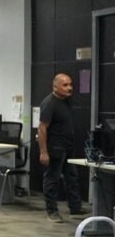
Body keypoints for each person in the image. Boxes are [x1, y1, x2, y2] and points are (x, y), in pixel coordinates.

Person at [38, 73, 84, 223]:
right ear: (55, 87)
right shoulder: (49, 103)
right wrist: (44, 152)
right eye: (65, 85)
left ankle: (75, 208)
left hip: (68, 147)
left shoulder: (67, 101)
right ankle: (52, 211)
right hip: (55, 148)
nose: (69, 88)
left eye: (70, 84)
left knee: (72, 178)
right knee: (52, 179)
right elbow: (42, 128)